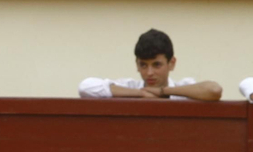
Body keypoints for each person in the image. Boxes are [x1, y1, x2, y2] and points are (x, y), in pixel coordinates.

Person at [78, 29, 222, 99]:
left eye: (156, 65)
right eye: (143, 65)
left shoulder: (183, 88)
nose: (149, 73)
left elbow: (214, 90)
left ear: (171, 63)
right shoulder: (129, 88)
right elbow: (85, 87)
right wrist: (140, 93)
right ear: (136, 64)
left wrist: (163, 92)